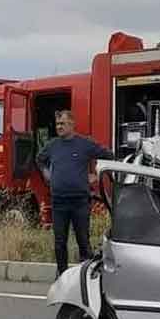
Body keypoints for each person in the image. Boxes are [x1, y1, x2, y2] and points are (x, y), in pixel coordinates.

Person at [36, 110, 113, 276]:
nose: (59, 127)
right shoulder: (52, 145)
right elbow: (40, 160)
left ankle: (85, 275)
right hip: (59, 202)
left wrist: (97, 174)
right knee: (59, 242)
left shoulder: (84, 144)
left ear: (72, 124)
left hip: (80, 201)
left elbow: (108, 155)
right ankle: (62, 275)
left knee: (83, 241)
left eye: (62, 124)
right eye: (57, 124)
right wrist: (46, 172)